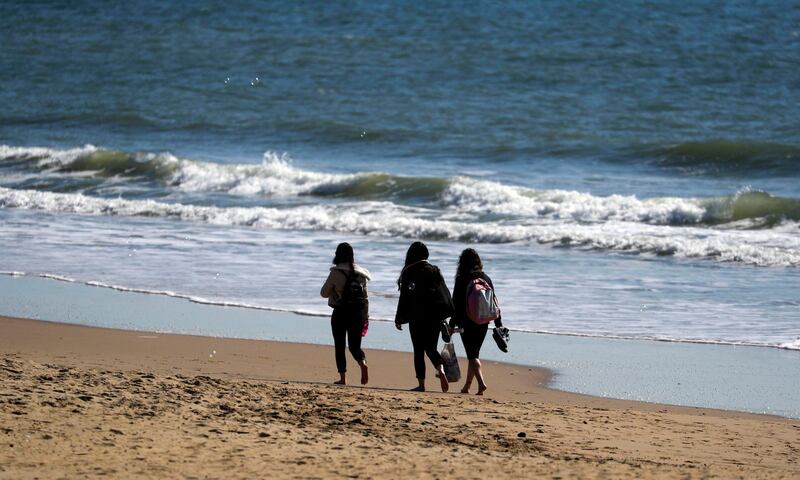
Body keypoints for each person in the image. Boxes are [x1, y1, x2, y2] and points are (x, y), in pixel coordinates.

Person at [395, 241, 453, 392]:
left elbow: (404, 298)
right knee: (431, 348)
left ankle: (421, 385)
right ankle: (440, 369)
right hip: (434, 317)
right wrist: (448, 314)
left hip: (416, 317)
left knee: (418, 351)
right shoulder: (434, 270)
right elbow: (445, 293)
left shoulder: (408, 272)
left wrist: (399, 317)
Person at [449, 248, 503, 395]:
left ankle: (481, 384)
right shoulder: (486, 278)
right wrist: (499, 325)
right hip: (484, 321)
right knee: (474, 354)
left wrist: (451, 325)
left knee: (472, 355)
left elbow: (456, 303)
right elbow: (494, 302)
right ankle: (467, 387)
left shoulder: (462, 278)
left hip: (466, 322)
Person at [320, 242, 371, 386]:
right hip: (358, 314)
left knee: (340, 345)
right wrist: (366, 316)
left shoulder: (336, 272)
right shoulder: (361, 274)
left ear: (337, 255)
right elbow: (365, 298)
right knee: (355, 346)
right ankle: (362, 362)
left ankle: (343, 378)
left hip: (341, 313)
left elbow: (323, 293)